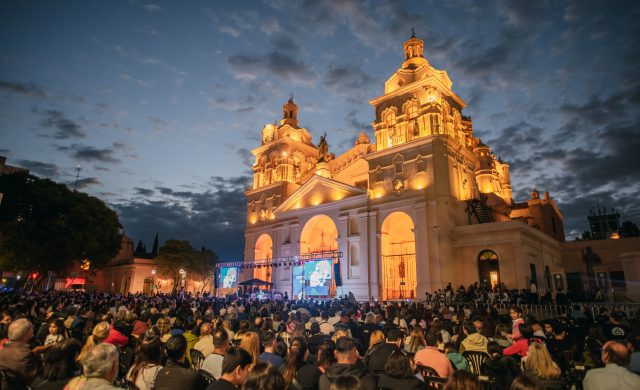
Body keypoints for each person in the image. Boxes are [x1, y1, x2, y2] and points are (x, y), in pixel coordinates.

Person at [0, 318, 39, 386]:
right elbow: (34, 381)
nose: (33, 329)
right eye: (31, 328)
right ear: (26, 333)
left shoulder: (2, 351)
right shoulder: (24, 354)